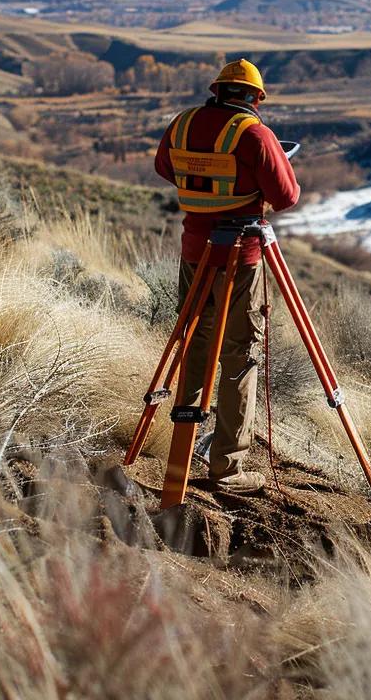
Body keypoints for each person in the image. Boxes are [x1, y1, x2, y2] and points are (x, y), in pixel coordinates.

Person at [154, 58, 300, 494]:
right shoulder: (255, 134)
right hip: (242, 259)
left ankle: (179, 461)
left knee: (195, 342)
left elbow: (165, 168)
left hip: (194, 254)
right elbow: (286, 196)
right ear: (256, 97)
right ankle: (227, 469)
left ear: (216, 90)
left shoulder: (182, 123)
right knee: (240, 354)